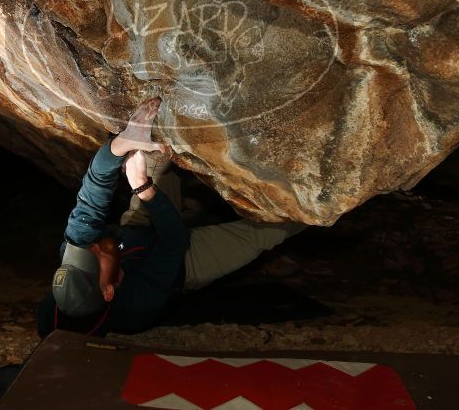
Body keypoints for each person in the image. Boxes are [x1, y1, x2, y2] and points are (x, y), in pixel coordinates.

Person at [37, 97, 306, 337]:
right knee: (266, 233)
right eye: (93, 260)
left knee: (153, 148)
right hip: (183, 262)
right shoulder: (139, 304)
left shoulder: (76, 257)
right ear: (109, 291)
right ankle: (319, 210)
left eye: (79, 256)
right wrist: (143, 188)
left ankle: (182, 193)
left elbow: (91, 197)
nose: (91, 247)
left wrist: (120, 145)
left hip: (136, 232)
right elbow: (174, 240)